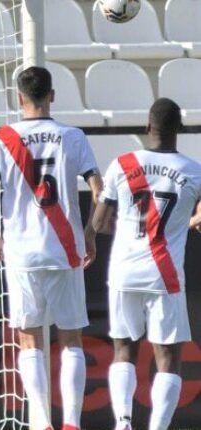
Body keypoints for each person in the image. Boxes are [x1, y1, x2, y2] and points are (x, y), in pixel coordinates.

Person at [0, 66, 103, 430]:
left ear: (19, 98)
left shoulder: (1, 138)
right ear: (53, 95)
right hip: (65, 250)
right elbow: (99, 191)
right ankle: (73, 423)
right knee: (71, 337)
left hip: (22, 253)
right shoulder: (73, 136)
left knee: (29, 338)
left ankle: (44, 422)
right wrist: (90, 233)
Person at [92, 98, 201, 430]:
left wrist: (90, 242)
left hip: (124, 270)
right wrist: (190, 219)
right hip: (164, 273)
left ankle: (123, 421)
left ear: (146, 126)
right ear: (179, 130)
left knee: (123, 349)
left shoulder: (122, 164)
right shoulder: (193, 171)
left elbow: (98, 220)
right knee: (167, 357)